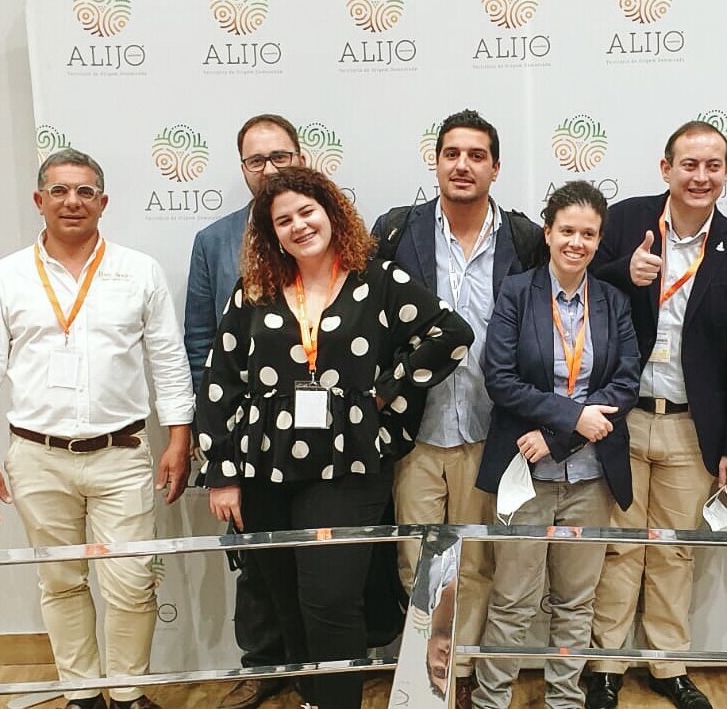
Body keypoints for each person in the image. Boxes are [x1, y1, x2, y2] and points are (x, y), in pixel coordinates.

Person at [197, 166, 473, 709]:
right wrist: (222, 473)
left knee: (331, 600)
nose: (299, 226)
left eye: (307, 212)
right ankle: (312, 698)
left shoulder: (378, 280)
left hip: (348, 468)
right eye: (283, 221)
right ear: (271, 233)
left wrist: (385, 391)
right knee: (287, 603)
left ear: (331, 213)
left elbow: (451, 334)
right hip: (264, 468)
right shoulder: (254, 290)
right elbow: (220, 382)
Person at [0, 149, 194, 709]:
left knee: (132, 581)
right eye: (60, 191)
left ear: (103, 202)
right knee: (60, 582)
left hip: (122, 452)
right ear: (39, 200)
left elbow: (168, 359)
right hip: (36, 456)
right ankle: (82, 695)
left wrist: (179, 437)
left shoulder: (139, 271)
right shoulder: (7, 276)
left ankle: (128, 694)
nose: (73, 201)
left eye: (85, 191)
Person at [586, 120, 727, 709]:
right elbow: (569, 284)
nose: (701, 176)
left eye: (713, 166)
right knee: (618, 546)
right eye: (689, 164)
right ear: (666, 169)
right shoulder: (622, 222)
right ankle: (605, 666)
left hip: (693, 428)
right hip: (620, 418)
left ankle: (668, 665)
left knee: (673, 550)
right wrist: (622, 272)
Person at [370, 108, 546, 705]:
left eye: (476, 155)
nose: (463, 165)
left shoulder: (524, 239)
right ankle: (426, 681)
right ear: (436, 162)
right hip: (416, 430)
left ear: (496, 167)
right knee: (418, 561)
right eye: (452, 154)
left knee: (474, 562)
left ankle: (461, 675)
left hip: (490, 428)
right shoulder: (398, 230)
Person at [471, 181, 641, 709]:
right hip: (525, 476)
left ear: (599, 240)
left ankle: (565, 699)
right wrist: (571, 418)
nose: (577, 242)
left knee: (576, 602)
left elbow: (625, 383)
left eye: (588, 234)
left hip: (591, 478)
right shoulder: (517, 293)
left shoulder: (613, 301)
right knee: (512, 601)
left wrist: (557, 436)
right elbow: (500, 379)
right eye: (567, 230)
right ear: (547, 233)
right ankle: (491, 700)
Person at [185, 113, 301, 709]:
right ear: (242, 169)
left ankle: (324, 668)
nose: (269, 169)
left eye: (280, 156)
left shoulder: (330, 228)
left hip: (324, 430)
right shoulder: (215, 241)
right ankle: (262, 664)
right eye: (257, 160)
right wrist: (212, 435)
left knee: (324, 555)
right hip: (244, 432)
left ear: (300, 158)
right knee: (255, 555)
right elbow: (199, 344)